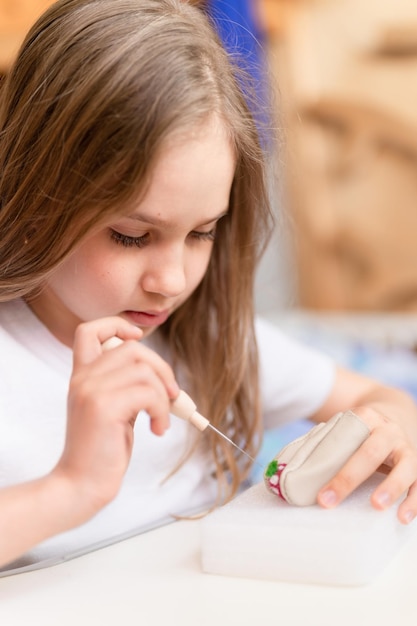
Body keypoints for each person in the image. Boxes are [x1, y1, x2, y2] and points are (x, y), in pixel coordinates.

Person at [0, 0, 416, 571]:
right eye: (130, 236)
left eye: (202, 233)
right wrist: (70, 489)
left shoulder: (210, 340)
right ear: (34, 195)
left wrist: (394, 428)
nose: (171, 282)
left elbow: (376, 398)